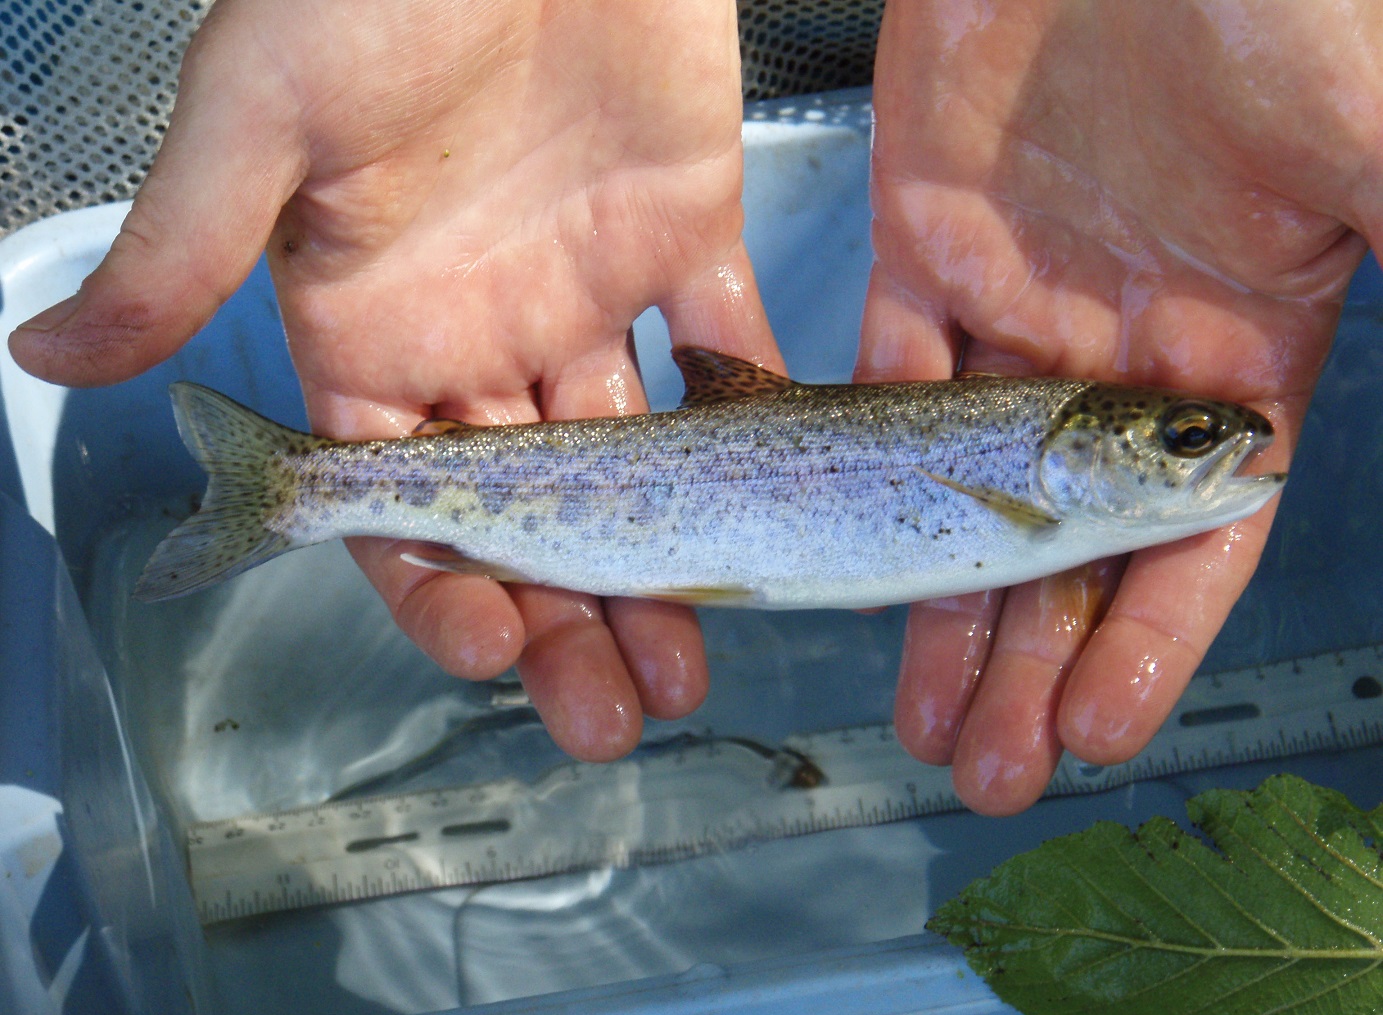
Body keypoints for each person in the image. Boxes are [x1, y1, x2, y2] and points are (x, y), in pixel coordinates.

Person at [9, 0, 1377, 815]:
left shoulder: (1044, 497)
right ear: (1085, 452)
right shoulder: (1035, 496)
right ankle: (302, 484)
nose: (1223, 444)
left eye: (1191, 435)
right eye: (1187, 438)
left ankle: (307, 485)